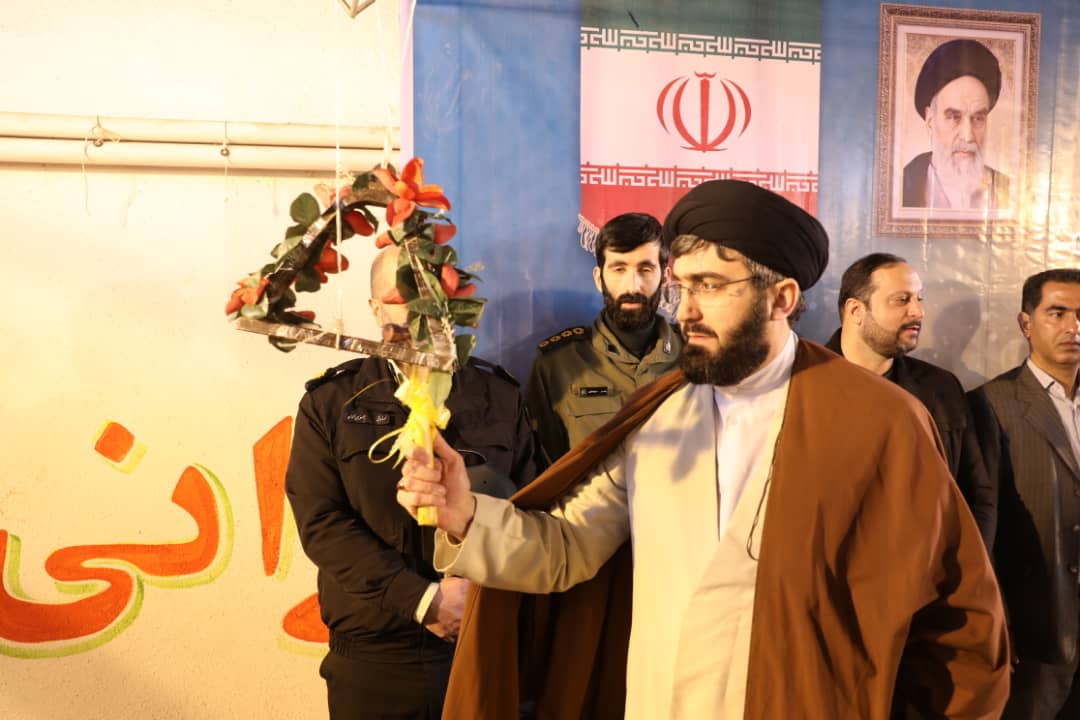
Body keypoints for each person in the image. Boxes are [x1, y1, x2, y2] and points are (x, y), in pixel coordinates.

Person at [397, 180, 1009, 719]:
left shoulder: (880, 421)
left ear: (782, 299)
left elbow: (954, 619)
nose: (685, 310)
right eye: (682, 286)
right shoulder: (662, 415)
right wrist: (465, 515)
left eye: (711, 286)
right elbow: (568, 546)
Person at [284, 246, 536, 719]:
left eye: (431, 296)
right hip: (376, 656)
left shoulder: (499, 396)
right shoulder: (332, 402)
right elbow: (321, 523)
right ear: (375, 308)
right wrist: (423, 600)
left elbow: (530, 510)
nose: (419, 311)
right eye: (401, 298)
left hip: (483, 644)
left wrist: (473, 594)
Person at [826, 252, 996, 548]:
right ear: (856, 310)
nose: (918, 312)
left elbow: (976, 493)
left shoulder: (941, 388)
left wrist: (964, 565)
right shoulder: (805, 387)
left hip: (926, 570)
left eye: (919, 299)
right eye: (902, 300)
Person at [969, 269, 1080, 718]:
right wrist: (998, 619)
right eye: (1058, 313)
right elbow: (982, 523)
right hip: (1036, 629)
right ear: (1025, 323)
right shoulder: (991, 403)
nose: (1073, 327)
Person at [525, 212, 682, 467]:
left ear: (665, 277)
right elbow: (548, 474)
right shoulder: (557, 365)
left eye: (645, 269)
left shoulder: (697, 357)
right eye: (619, 269)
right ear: (599, 279)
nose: (633, 286)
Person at [902, 38, 1011, 211]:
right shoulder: (901, 186)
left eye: (978, 118)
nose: (968, 136)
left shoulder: (1008, 191)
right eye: (954, 117)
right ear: (930, 120)